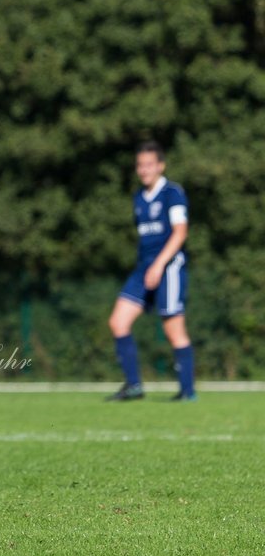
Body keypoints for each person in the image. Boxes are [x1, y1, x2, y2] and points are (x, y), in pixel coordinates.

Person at [106, 141, 195, 402]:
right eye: (140, 165)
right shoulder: (138, 198)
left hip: (168, 267)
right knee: (118, 322)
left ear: (160, 165)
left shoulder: (172, 193)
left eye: (149, 165)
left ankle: (187, 392)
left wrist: (159, 264)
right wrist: (148, 266)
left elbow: (180, 232)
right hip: (144, 267)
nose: (143, 170)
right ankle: (133, 386)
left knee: (173, 330)